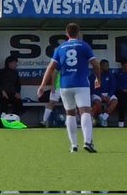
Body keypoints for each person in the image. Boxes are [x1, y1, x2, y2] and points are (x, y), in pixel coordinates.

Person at [37, 22, 102, 153]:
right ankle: (88, 142)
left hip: (65, 85)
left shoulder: (60, 48)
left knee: (70, 114)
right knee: (85, 111)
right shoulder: (84, 46)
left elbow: (51, 68)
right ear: (78, 33)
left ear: (67, 34)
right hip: (81, 84)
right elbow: (95, 64)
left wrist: (43, 85)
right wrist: (98, 78)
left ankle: (73, 146)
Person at [94, 59, 119, 127]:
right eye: (106, 66)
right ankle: (100, 117)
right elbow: (95, 88)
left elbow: (113, 87)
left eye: (108, 66)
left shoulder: (111, 75)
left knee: (115, 101)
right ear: (101, 66)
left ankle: (104, 117)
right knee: (97, 101)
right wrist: (101, 96)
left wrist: (109, 95)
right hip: (98, 94)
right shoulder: (96, 75)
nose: (108, 67)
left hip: (108, 94)